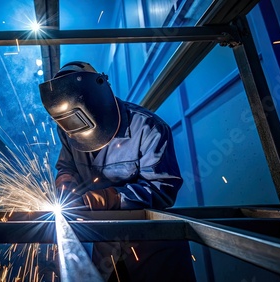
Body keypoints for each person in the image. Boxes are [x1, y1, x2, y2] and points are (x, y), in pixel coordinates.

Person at [39, 61, 196, 281]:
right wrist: (65, 180)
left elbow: (163, 188)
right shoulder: (67, 129)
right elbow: (67, 165)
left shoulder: (148, 127)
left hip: (153, 245)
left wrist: (109, 198)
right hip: (106, 242)